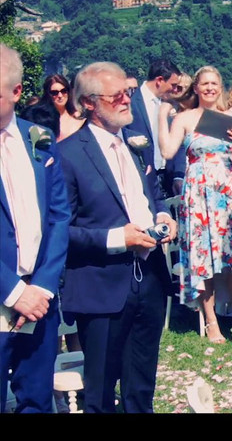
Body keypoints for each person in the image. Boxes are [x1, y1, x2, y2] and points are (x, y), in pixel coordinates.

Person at [57, 61, 177, 413]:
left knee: (141, 387)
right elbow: (59, 231)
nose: (127, 100)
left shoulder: (134, 145)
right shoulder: (68, 155)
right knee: (101, 392)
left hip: (150, 278)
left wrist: (163, 215)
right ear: (89, 103)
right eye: (118, 96)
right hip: (101, 286)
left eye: (127, 92)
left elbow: (151, 193)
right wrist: (117, 239)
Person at [0, 43, 71, 414]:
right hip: (3, 293)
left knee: (37, 401)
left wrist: (42, 286)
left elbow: (60, 216)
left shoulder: (39, 139)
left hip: (41, 300)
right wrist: (13, 292)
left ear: (15, 92)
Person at [158, 66, 232, 343]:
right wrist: (163, 116)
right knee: (203, 259)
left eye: (214, 83)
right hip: (198, 192)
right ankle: (211, 322)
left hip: (228, 189)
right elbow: (167, 151)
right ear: (196, 88)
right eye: (205, 84)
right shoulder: (185, 118)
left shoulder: (230, 116)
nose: (210, 88)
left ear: (220, 87)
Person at [129, 59, 183, 196]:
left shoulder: (171, 104)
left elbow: (180, 142)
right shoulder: (131, 104)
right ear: (159, 80)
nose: (175, 90)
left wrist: (179, 175)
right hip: (144, 179)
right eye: (173, 85)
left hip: (170, 178)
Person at [41, 74, 84, 141]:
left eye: (63, 91)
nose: (60, 95)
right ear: (48, 95)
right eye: (54, 92)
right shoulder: (42, 120)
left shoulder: (80, 117)